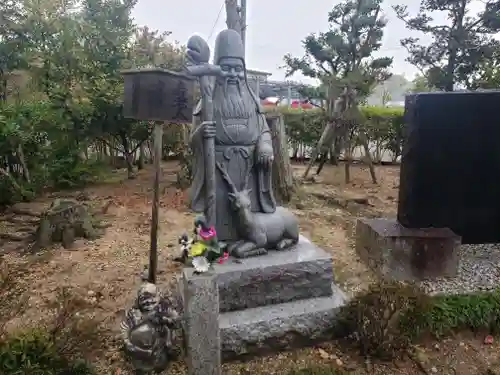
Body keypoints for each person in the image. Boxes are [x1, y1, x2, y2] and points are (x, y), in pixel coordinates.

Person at [189, 29, 276, 244]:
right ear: (217, 69)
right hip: (218, 167)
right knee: (220, 208)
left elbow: (263, 130)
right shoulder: (207, 102)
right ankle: (219, 241)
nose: (233, 75)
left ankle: (252, 239)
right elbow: (192, 140)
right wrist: (201, 134)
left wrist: (264, 146)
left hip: (250, 168)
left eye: (238, 69)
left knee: (250, 211)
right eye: (226, 68)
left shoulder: (254, 101)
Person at [120, 282, 178, 373]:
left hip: (160, 345)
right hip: (143, 350)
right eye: (144, 299)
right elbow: (124, 328)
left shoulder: (163, 308)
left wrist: (164, 319)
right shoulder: (135, 315)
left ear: (158, 297)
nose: (148, 302)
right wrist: (127, 342)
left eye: (151, 298)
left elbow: (175, 319)